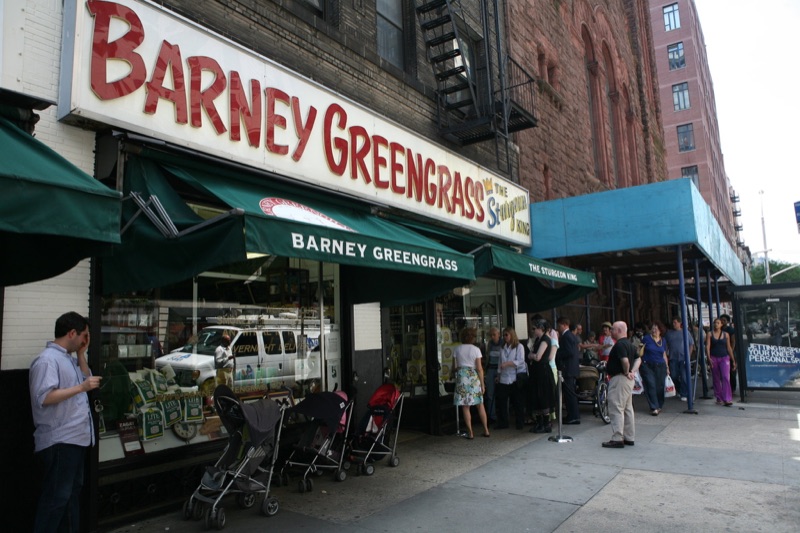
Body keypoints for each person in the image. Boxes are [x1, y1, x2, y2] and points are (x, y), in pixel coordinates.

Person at [29, 311, 102, 533]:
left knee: (70, 495)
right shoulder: (47, 361)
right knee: (57, 498)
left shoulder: (68, 359)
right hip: (60, 439)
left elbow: (84, 377)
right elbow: (44, 397)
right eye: (84, 336)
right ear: (72, 333)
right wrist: (81, 387)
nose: (86, 340)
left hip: (76, 438)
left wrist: (81, 354)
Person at [602, 321, 640, 448]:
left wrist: (626, 371)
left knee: (616, 407)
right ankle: (629, 437)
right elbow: (638, 358)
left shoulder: (619, 345)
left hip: (619, 378)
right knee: (628, 408)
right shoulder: (629, 344)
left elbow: (624, 361)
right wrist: (633, 372)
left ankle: (618, 437)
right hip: (627, 380)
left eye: (612, 329)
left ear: (618, 330)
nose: (610, 331)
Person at [453, 328, 490, 439]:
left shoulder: (457, 349)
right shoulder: (476, 350)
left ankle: (470, 433)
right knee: (480, 405)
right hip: (473, 377)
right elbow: (479, 368)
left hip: (462, 377)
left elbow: (453, 368)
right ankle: (486, 430)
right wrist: (482, 384)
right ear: (473, 337)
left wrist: (460, 369)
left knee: (465, 406)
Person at [528, 319, 556, 433]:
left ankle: (545, 424)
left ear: (541, 329)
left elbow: (538, 356)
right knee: (537, 396)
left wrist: (531, 355)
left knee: (543, 396)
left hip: (542, 372)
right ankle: (540, 423)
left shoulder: (545, 340)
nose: (534, 331)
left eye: (536, 328)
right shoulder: (539, 339)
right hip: (537, 371)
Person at [495, 327, 526, 430]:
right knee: (502, 402)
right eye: (503, 335)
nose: (505, 337)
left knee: (517, 402)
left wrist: (508, 363)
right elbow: (500, 362)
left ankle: (520, 422)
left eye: (506, 335)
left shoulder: (519, 346)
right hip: (504, 377)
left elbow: (521, 361)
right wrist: (498, 375)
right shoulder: (502, 347)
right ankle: (503, 422)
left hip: (514, 377)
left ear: (512, 335)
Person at [639, 321, 669, 415]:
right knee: (650, 385)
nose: (654, 330)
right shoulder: (646, 339)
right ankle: (654, 407)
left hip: (660, 366)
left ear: (660, 330)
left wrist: (667, 367)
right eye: (653, 328)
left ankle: (659, 405)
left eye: (656, 328)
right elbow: (640, 350)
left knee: (660, 386)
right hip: (647, 365)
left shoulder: (663, 340)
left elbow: (664, 354)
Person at [556, 317, 581, 424]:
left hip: (568, 368)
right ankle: (573, 415)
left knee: (569, 394)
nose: (558, 327)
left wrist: (558, 354)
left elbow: (569, 352)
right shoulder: (571, 335)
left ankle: (573, 416)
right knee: (570, 393)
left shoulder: (566, 336)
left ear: (564, 325)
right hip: (572, 368)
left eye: (559, 325)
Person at [706, 318, 736, 406]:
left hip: (724, 357)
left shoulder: (726, 334)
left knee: (725, 377)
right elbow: (707, 346)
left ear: (721, 325)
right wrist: (708, 357)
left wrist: (733, 360)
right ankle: (719, 397)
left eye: (718, 323)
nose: (716, 324)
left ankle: (727, 398)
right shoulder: (710, 334)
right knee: (716, 378)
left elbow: (729, 347)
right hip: (714, 357)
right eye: (715, 323)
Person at [664, 317, 693, 401]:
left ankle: (684, 393)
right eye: (673, 322)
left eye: (675, 322)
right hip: (673, 357)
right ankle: (679, 389)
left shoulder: (686, 332)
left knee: (684, 376)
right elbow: (666, 345)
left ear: (680, 323)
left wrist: (689, 356)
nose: (674, 324)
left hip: (683, 357)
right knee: (674, 376)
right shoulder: (669, 334)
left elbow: (691, 344)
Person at [484, 327, 503, 423]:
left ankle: (502, 415)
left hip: (501, 369)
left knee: (502, 393)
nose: (492, 337)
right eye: (491, 335)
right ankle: (492, 415)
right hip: (491, 369)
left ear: (499, 334)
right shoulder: (490, 344)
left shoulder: (503, 343)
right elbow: (487, 357)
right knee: (490, 393)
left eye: (494, 335)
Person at [720, 314, 737, 392]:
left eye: (724, 320)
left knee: (731, 371)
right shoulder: (719, 329)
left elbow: (733, 341)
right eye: (721, 320)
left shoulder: (730, 330)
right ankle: (725, 386)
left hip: (729, 351)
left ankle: (732, 387)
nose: (722, 321)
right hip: (721, 352)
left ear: (727, 321)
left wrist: (731, 352)